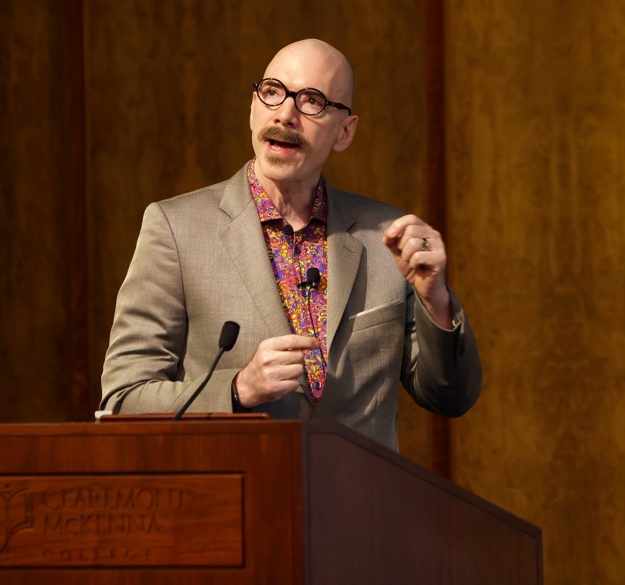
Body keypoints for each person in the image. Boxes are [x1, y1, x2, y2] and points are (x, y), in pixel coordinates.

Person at [99, 39, 481, 450]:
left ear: (345, 132)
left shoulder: (383, 236)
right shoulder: (177, 229)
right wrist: (238, 389)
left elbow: (451, 397)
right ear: (252, 107)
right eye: (272, 92)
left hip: (359, 506)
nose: (285, 114)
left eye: (311, 101)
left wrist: (435, 300)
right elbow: (123, 400)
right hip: (237, 499)